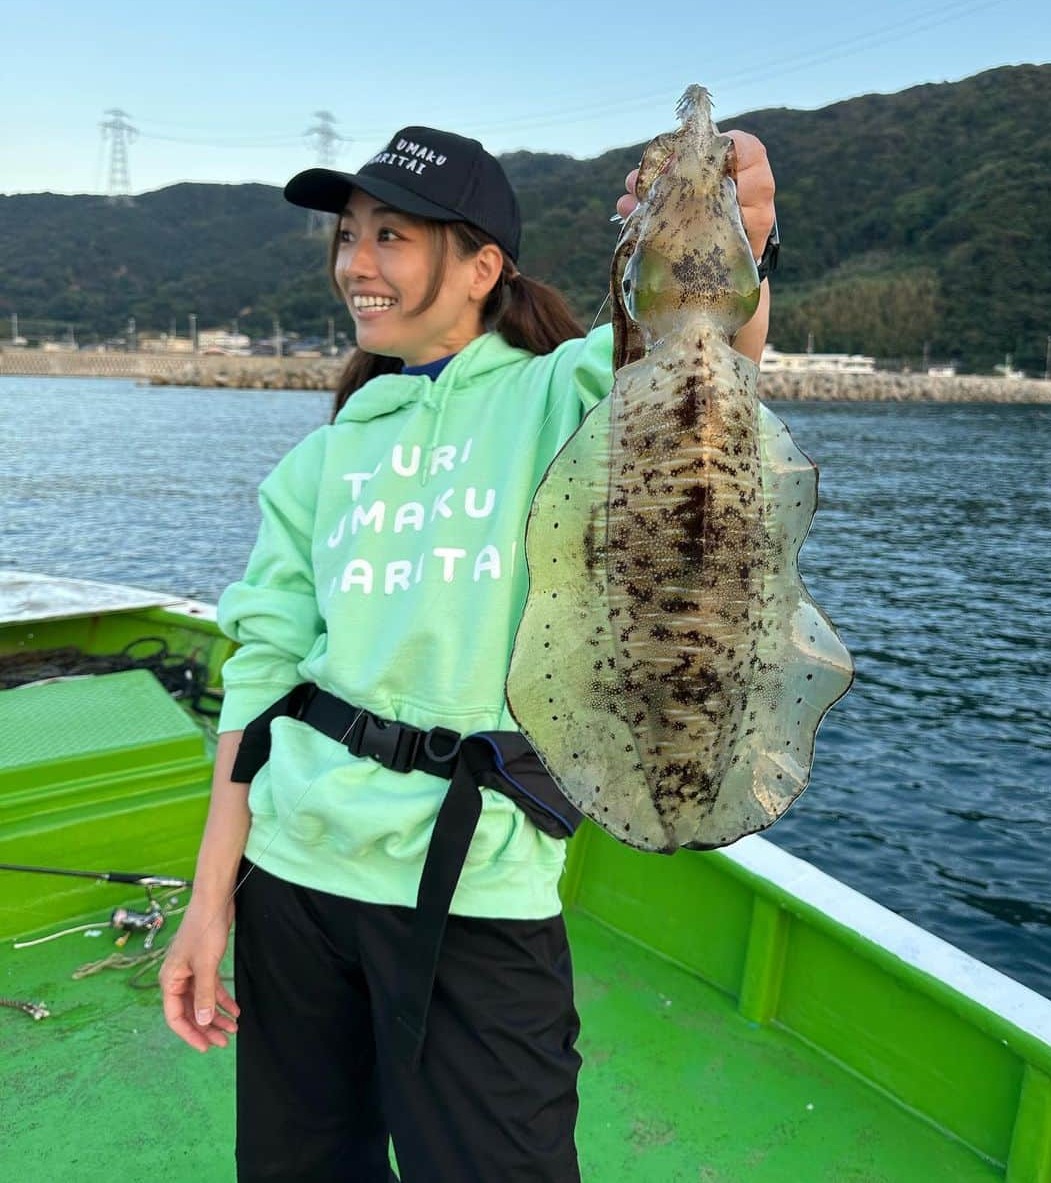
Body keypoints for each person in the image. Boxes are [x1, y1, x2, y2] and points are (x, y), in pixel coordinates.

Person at [159, 122, 775, 1182]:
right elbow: (261, 678)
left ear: (483, 265)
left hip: (476, 890)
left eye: (391, 236)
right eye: (348, 236)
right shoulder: (322, 456)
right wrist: (209, 901)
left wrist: (736, 242)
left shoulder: (557, 398)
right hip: (292, 885)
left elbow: (693, 361)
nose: (356, 262)